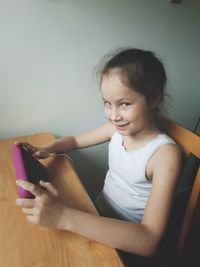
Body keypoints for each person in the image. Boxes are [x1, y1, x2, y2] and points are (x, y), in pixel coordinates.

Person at [15, 48, 181, 260]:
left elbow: (148, 240)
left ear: (154, 99)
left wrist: (64, 216)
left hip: (127, 242)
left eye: (125, 104)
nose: (113, 115)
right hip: (98, 212)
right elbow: (74, 140)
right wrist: (48, 148)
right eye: (107, 103)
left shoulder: (164, 155)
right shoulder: (116, 131)